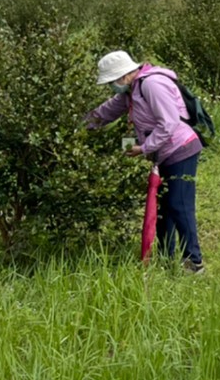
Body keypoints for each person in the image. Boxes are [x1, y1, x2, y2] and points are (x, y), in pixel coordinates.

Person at [85, 50, 206, 273]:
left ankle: (194, 262)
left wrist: (143, 148)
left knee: (180, 206)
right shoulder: (132, 90)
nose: (112, 86)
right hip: (163, 153)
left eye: (112, 82)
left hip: (181, 150)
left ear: (122, 76)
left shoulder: (152, 85)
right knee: (163, 209)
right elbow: (109, 110)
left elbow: (168, 123)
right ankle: (166, 256)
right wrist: (83, 125)